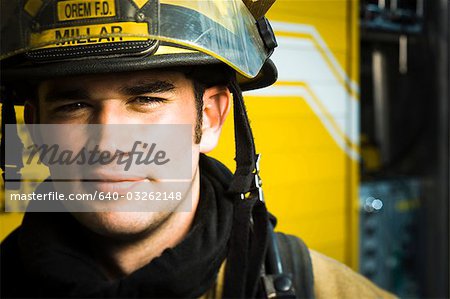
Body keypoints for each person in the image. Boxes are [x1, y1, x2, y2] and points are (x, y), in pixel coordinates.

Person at [0, 0, 395, 298]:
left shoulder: (319, 288)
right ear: (36, 129)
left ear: (209, 119)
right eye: (74, 106)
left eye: (147, 99)